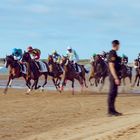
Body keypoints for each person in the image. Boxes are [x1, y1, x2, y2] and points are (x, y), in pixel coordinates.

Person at [108, 40, 122, 116]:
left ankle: (113, 110)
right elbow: (111, 66)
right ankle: (110, 111)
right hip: (113, 76)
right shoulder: (112, 53)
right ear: (116, 45)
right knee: (112, 93)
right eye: (119, 45)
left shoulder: (115, 54)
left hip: (115, 76)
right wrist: (116, 78)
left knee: (114, 93)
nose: (119, 47)